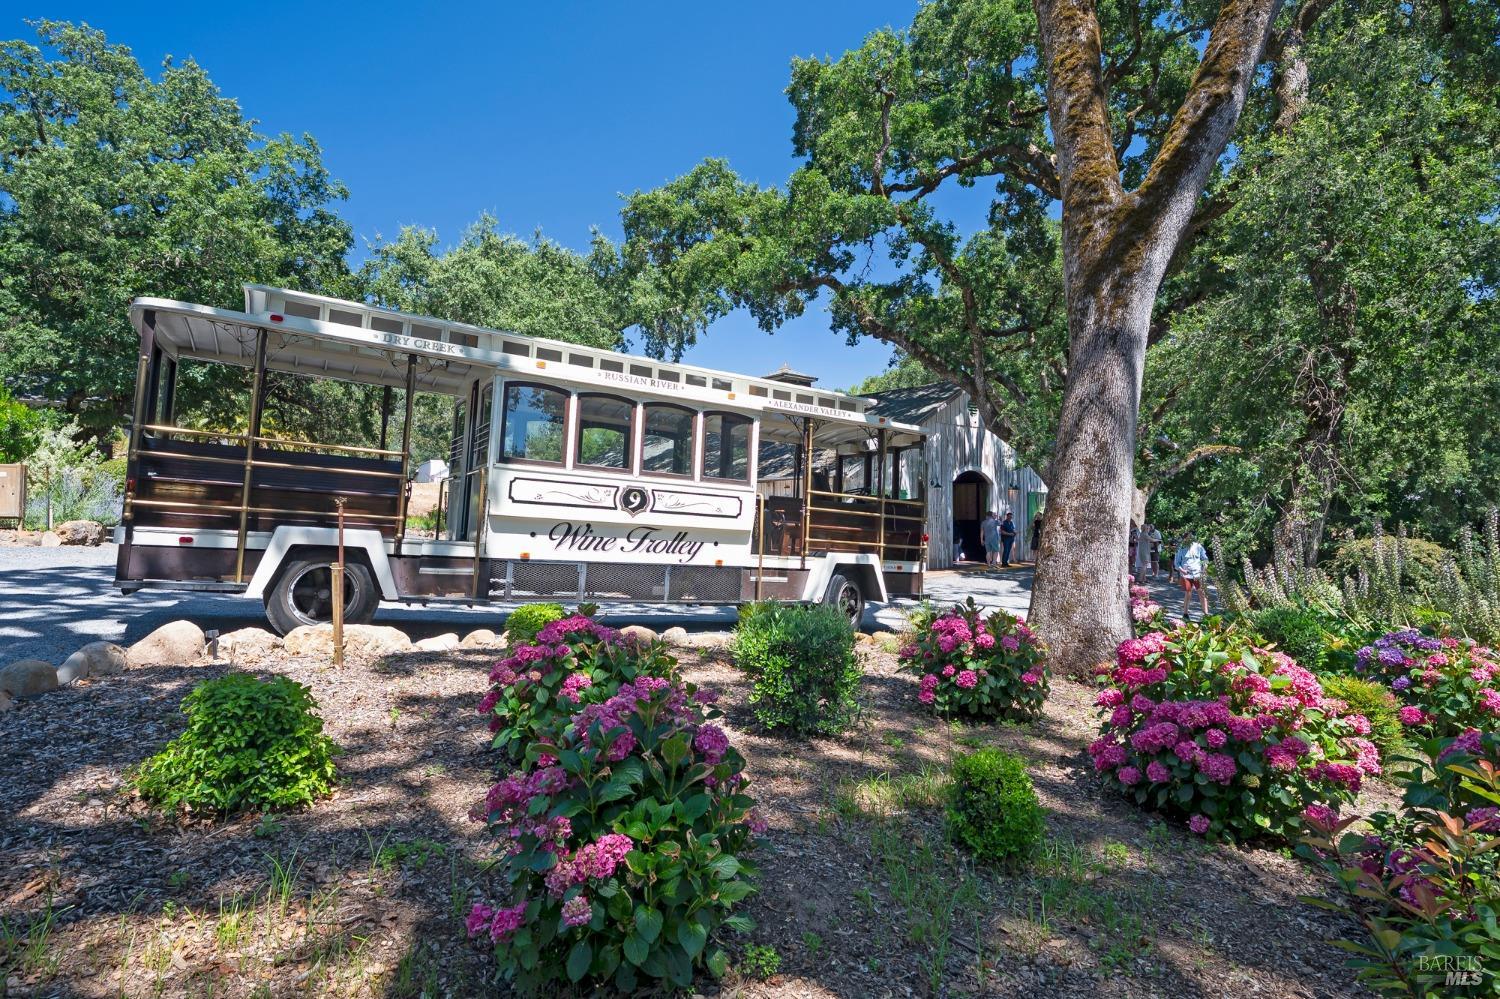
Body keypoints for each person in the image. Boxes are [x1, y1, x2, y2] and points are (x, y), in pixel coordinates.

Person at [1173, 529, 1210, 619]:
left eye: (1190, 537)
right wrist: (1182, 570)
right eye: (1187, 537)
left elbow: (1205, 559)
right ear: (1184, 538)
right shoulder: (1180, 548)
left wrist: (1204, 568)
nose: (1189, 539)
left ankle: (1206, 614)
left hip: (1197, 573)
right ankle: (1185, 614)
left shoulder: (1198, 546)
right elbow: (1176, 564)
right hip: (1186, 574)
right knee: (1188, 593)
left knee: (1202, 593)